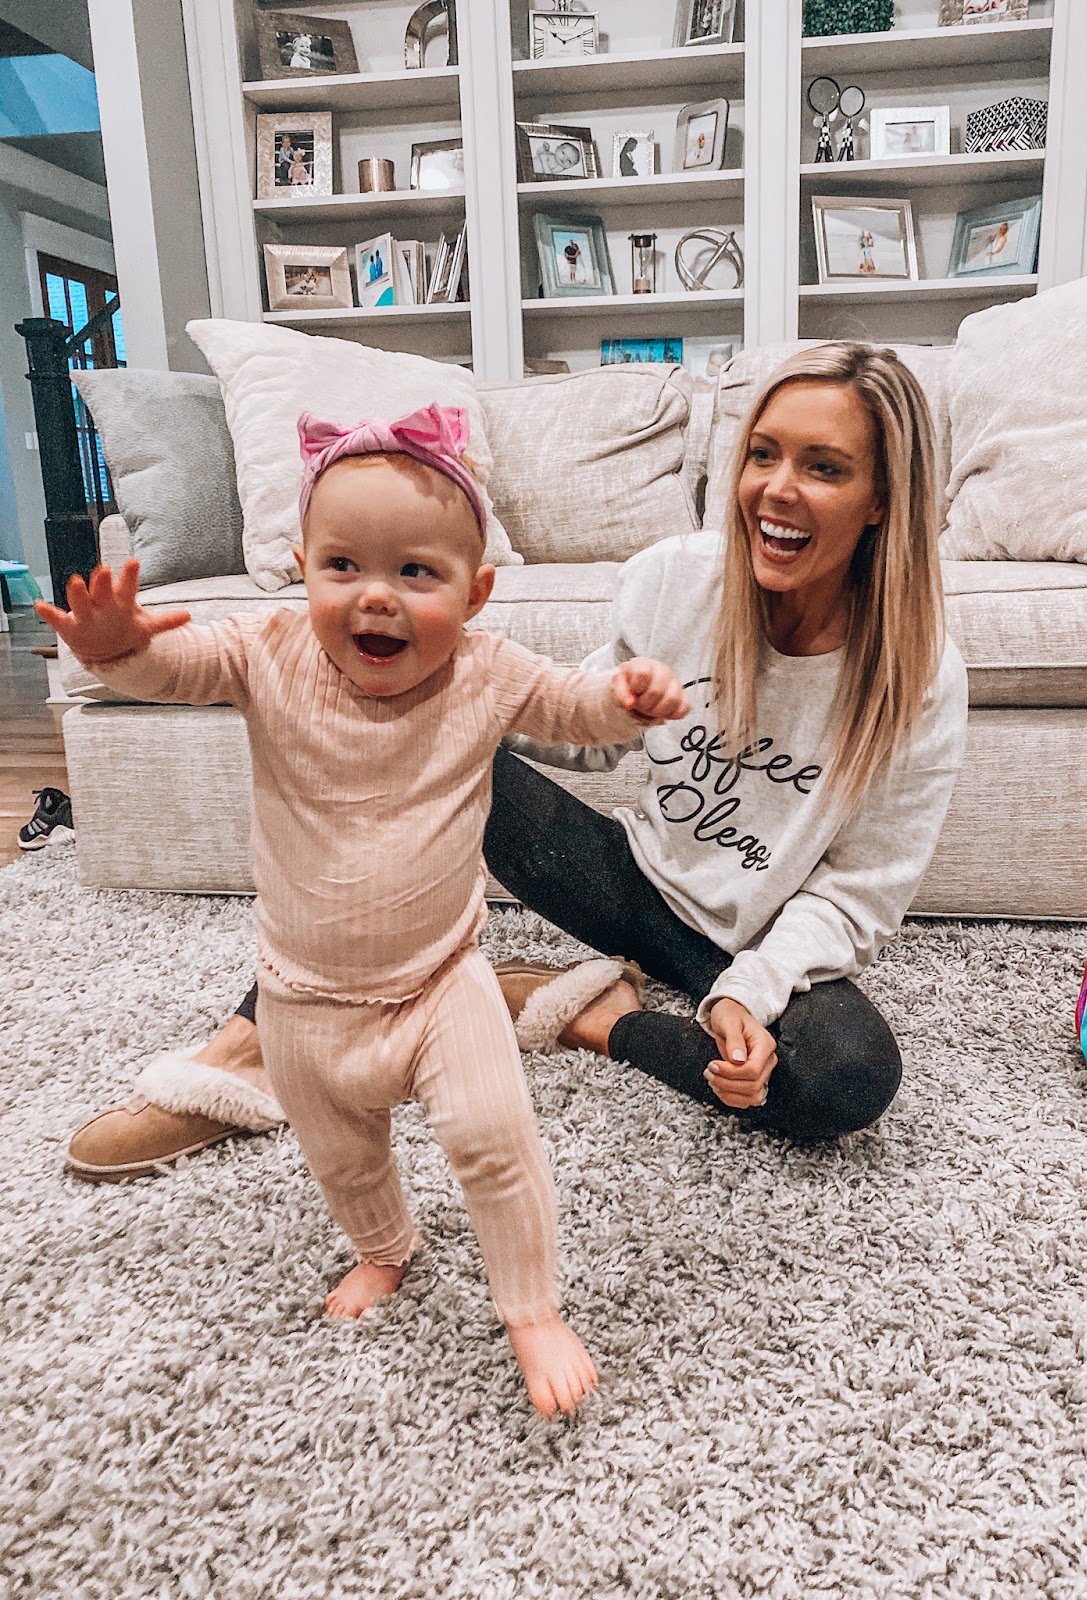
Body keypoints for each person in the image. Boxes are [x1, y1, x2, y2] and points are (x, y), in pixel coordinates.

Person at [67, 342, 968, 1232]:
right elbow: (578, 734)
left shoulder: (921, 674)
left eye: (824, 467)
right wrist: (429, 669)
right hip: (631, 883)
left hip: (761, 935)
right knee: (408, 736)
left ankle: (585, 1016)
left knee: (845, 1078)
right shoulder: (680, 579)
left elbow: (859, 893)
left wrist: (751, 992)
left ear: (881, 499)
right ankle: (253, 1041)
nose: (776, 489)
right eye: (763, 454)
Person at [37, 404, 690, 1418]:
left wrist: (625, 698)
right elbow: (173, 667)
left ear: (474, 594)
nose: (375, 596)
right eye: (343, 565)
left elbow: (571, 703)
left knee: (494, 1136)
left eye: (417, 573)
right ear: (302, 568)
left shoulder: (485, 671)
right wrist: (117, 651)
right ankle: (386, 1248)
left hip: (440, 983)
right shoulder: (265, 651)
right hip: (300, 1000)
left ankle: (531, 1310)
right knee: (344, 1157)